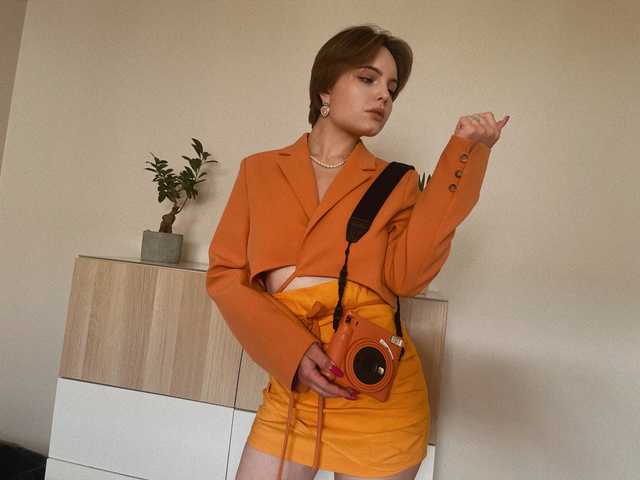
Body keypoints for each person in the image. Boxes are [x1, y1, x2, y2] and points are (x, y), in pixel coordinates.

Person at [206, 23, 508, 480]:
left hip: (375, 393)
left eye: (391, 88)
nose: (384, 95)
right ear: (325, 88)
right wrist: (291, 348)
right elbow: (225, 276)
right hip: (294, 388)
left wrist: (464, 154)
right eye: (368, 79)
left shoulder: (397, 181)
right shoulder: (259, 171)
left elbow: (408, 278)